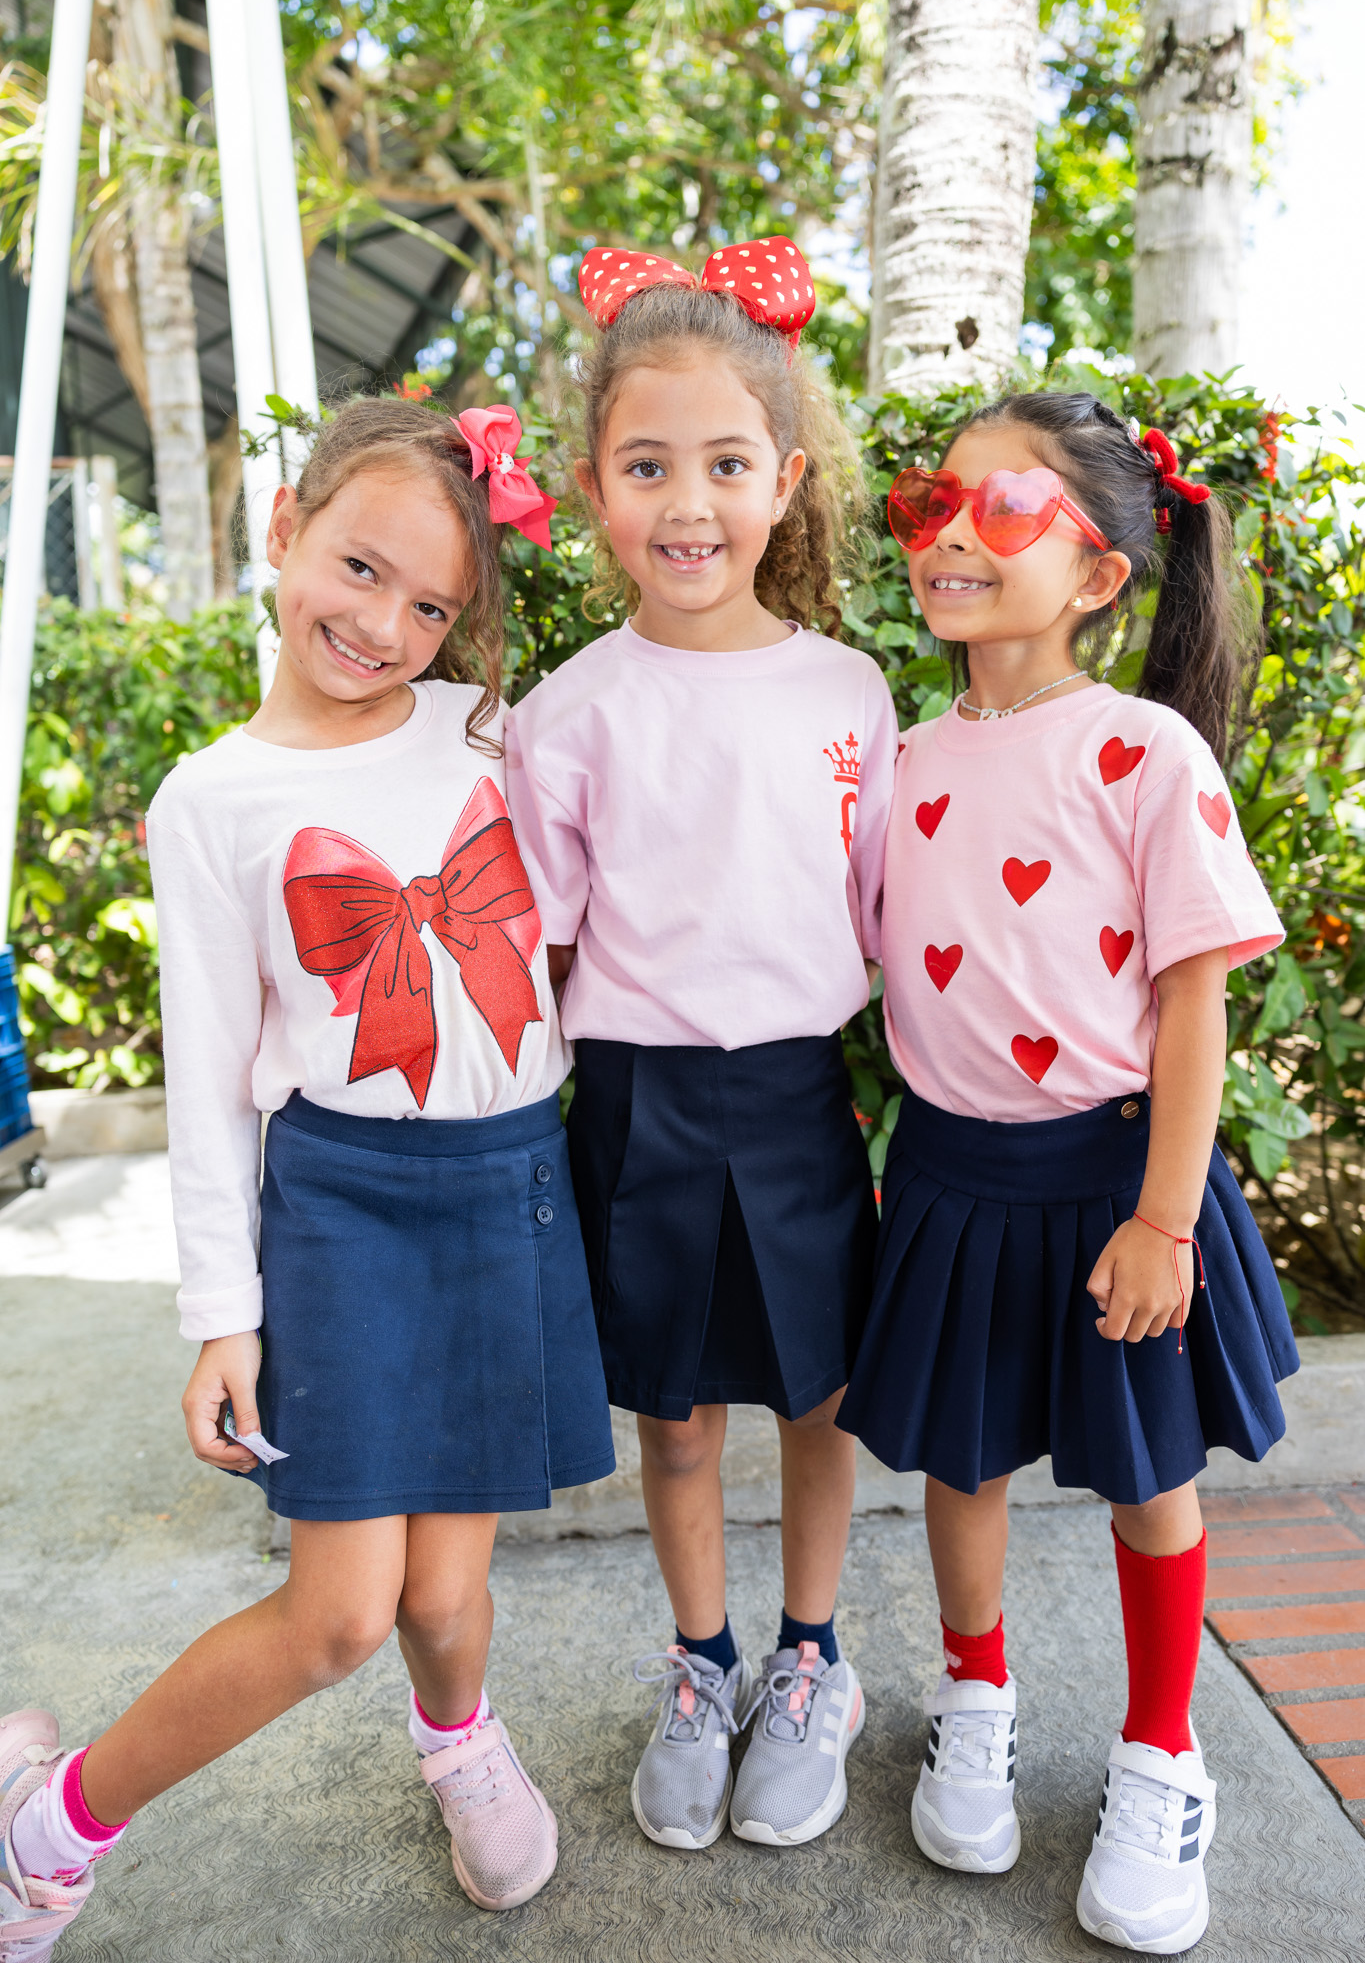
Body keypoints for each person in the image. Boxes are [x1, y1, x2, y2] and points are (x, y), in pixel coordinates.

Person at [0, 397, 614, 1951]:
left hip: (509, 1188)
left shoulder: (488, 732)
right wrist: (223, 1314)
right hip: (343, 1209)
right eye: (359, 569)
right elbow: (210, 1076)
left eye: (432, 607)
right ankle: (47, 1827)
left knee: (444, 1591)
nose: (385, 626)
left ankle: (458, 1738)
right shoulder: (212, 800)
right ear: (284, 528)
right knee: (341, 1614)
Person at [837, 391, 1298, 1954]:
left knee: (1147, 1477)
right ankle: (974, 1696)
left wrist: (1165, 1217)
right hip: (949, 1176)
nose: (951, 534)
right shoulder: (897, 761)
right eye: (932, 503)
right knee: (958, 1460)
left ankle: (1162, 1754)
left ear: (1098, 572)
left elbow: (1192, 996)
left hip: (1115, 1185)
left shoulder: (1142, 751)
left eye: (1005, 507)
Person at [504, 239, 897, 1854]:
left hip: (797, 1097)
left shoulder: (849, 693)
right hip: (637, 1103)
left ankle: (811, 1660)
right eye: (647, 466)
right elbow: (545, 942)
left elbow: (882, 912)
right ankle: (703, 1661)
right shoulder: (567, 712)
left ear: (784, 481)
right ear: (594, 484)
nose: (688, 504)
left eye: (727, 465)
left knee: (818, 1398)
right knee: (672, 1415)